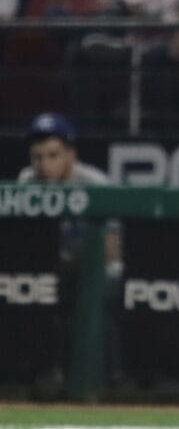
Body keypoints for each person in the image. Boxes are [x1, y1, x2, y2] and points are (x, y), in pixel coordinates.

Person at [17, 112, 123, 396]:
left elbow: (111, 250)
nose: (44, 164)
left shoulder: (94, 182)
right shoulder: (27, 181)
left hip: (95, 272)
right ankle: (33, 375)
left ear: (70, 155)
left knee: (85, 291)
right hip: (49, 272)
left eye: (53, 155)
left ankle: (105, 380)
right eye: (37, 156)